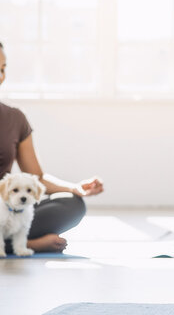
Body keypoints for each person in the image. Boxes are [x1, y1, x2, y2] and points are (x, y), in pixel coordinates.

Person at [0, 41, 104, 253]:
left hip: (7, 210)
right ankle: (24, 244)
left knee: (71, 204)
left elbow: (37, 177)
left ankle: (11, 243)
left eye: (3, 68)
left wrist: (75, 188)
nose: (1, 75)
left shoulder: (15, 118)